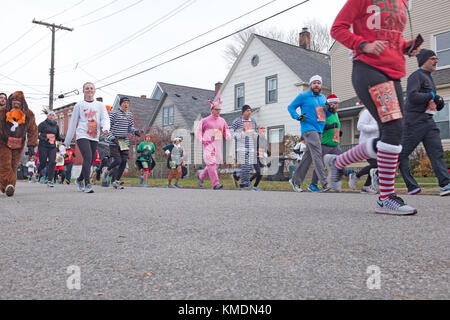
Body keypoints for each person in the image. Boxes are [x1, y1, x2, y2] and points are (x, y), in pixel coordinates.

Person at [328, 0, 421, 215]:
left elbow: (393, 37)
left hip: (394, 71)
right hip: (369, 68)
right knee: (393, 127)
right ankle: (386, 198)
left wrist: (406, 46)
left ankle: (338, 161)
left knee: (393, 132)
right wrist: (362, 44)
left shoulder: (402, 2)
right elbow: (337, 28)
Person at [398, 49, 450, 197]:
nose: (436, 61)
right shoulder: (416, 76)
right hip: (414, 122)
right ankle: (409, 184)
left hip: (428, 121)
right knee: (400, 154)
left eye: (436, 58)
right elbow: (412, 96)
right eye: (433, 58)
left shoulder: (428, 77)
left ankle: (445, 184)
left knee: (437, 152)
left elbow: (429, 99)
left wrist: (438, 101)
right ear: (424, 60)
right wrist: (431, 95)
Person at [64, 82, 110, 194]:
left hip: (94, 135)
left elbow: (105, 118)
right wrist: (67, 141)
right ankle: (87, 183)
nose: (89, 90)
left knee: (89, 161)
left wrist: (105, 128)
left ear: (94, 91)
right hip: (82, 134)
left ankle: (79, 180)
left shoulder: (100, 105)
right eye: (87, 88)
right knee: (88, 156)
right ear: (83, 91)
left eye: (91, 88)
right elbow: (73, 122)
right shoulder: (79, 105)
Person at [287, 75, 331, 192]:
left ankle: (295, 180)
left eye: (319, 83)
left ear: (321, 86)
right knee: (317, 153)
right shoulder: (303, 96)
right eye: (314, 83)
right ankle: (325, 182)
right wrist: (297, 116)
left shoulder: (323, 99)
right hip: (308, 128)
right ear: (310, 85)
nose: (316, 85)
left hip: (319, 129)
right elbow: (291, 107)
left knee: (308, 157)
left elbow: (326, 114)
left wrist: (330, 110)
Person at [0, 91, 38, 197]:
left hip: (19, 143)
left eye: (19, 100)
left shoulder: (29, 114)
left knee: (14, 165)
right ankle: (8, 185)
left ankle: (9, 185)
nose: (16, 103)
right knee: (5, 164)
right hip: (3, 142)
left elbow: (33, 129)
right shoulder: (2, 112)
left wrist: (31, 145)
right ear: (9, 101)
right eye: (13, 100)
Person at [102, 96, 141, 190]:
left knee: (123, 161)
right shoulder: (114, 113)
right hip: (114, 140)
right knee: (118, 160)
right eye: (124, 102)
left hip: (124, 141)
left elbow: (130, 127)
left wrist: (135, 131)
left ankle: (116, 181)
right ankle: (107, 170)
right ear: (121, 104)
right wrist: (111, 137)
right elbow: (107, 126)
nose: (126, 104)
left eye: (128, 103)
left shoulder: (130, 115)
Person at [196, 93, 231, 190]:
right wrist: (201, 139)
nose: (218, 111)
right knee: (211, 164)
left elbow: (226, 130)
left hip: (217, 145)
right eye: (216, 109)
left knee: (214, 164)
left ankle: (201, 177)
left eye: (219, 109)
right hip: (208, 145)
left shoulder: (222, 120)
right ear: (211, 110)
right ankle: (216, 184)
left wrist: (227, 135)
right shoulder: (205, 120)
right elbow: (198, 131)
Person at [309, 94, 343, 192]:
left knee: (341, 162)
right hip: (324, 143)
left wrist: (338, 131)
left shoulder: (335, 113)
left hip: (335, 144)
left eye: (337, 103)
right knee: (320, 165)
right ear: (329, 104)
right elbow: (319, 127)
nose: (336, 105)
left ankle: (334, 183)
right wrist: (331, 126)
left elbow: (336, 126)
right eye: (334, 103)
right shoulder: (322, 111)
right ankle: (313, 184)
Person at [349, 106, 380, 194]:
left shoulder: (379, 114)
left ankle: (366, 187)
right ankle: (355, 176)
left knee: (376, 166)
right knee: (376, 164)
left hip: (376, 144)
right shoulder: (367, 112)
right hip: (366, 144)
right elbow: (360, 126)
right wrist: (377, 127)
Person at [231, 105, 258, 190]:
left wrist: (255, 134)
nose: (249, 112)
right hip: (241, 147)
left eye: (250, 110)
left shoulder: (253, 121)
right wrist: (239, 135)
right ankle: (244, 184)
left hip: (251, 146)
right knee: (246, 165)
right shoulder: (237, 121)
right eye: (247, 110)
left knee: (250, 166)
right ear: (243, 112)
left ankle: (238, 174)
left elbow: (256, 131)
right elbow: (231, 133)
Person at [36, 111, 62, 187]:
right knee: (43, 162)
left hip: (52, 146)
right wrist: (44, 139)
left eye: (53, 115)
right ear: (47, 116)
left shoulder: (56, 126)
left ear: (54, 117)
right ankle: (38, 172)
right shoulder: (43, 124)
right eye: (50, 115)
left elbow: (57, 136)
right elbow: (36, 133)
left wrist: (62, 140)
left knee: (52, 162)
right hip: (43, 146)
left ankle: (50, 180)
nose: (51, 116)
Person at [249, 126, 271, 191]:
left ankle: (255, 187)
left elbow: (265, 148)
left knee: (260, 172)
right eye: (262, 131)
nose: (264, 132)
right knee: (259, 171)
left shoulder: (264, 139)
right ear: (259, 132)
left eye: (264, 131)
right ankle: (249, 181)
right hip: (254, 157)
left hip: (261, 157)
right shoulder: (256, 138)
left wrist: (268, 153)